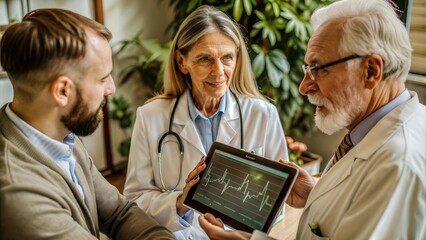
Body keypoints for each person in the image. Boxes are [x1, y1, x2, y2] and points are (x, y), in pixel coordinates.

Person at [198, 0, 426, 239]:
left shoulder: (397, 168)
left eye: (318, 68)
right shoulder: (376, 129)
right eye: (307, 69)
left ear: (370, 71)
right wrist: (318, 194)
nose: (303, 87)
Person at [0, 8, 175, 239]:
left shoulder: (61, 136)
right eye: (103, 78)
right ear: (62, 91)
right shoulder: (20, 195)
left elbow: (118, 212)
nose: (111, 88)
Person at [123, 5, 290, 240]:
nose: (219, 71)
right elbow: (134, 199)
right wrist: (179, 203)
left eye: (227, 58)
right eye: (205, 59)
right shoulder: (151, 116)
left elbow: (278, 203)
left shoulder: (263, 114)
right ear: (182, 62)